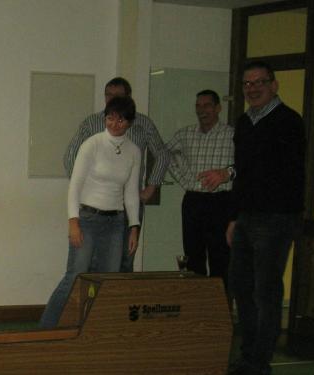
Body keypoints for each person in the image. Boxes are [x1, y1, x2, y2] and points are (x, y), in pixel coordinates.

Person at [197, 61, 305, 375]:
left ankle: (260, 362)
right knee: (241, 286)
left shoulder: (289, 122)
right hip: (245, 217)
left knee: (265, 291)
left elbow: (270, 168)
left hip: (276, 217)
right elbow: (244, 170)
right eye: (247, 84)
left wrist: (228, 173)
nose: (252, 89)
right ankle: (246, 356)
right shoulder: (245, 122)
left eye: (259, 82)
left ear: (274, 85)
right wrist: (234, 217)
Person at [40, 96, 142, 328]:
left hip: (115, 222)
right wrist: (73, 222)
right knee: (75, 275)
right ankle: (46, 327)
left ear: (130, 122)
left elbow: (131, 193)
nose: (114, 124)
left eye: (120, 120)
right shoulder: (92, 144)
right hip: (87, 219)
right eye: (110, 118)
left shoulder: (134, 151)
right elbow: (74, 186)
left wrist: (134, 227)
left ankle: (95, 330)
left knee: (108, 279)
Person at [62, 77, 170, 272]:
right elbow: (70, 158)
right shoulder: (92, 125)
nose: (112, 99)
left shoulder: (142, 128)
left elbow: (162, 154)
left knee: (121, 265)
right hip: (92, 210)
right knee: (85, 268)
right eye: (108, 95)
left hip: (124, 209)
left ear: (128, 98)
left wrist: (151, 187)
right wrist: (87, 186)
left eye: (117, 96)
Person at [165, 90, 235, 291]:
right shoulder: (185, 134)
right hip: (193, 201)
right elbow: (164, 154)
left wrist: (227, 173)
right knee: (193, 258)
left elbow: (245, 166)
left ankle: (220, 306)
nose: (202, 110)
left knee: (220, 259)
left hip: (221, 201)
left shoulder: (232, 135)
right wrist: (183, 179)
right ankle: (197, 304)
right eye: (198, 106)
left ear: (218, 108)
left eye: (207, 105)